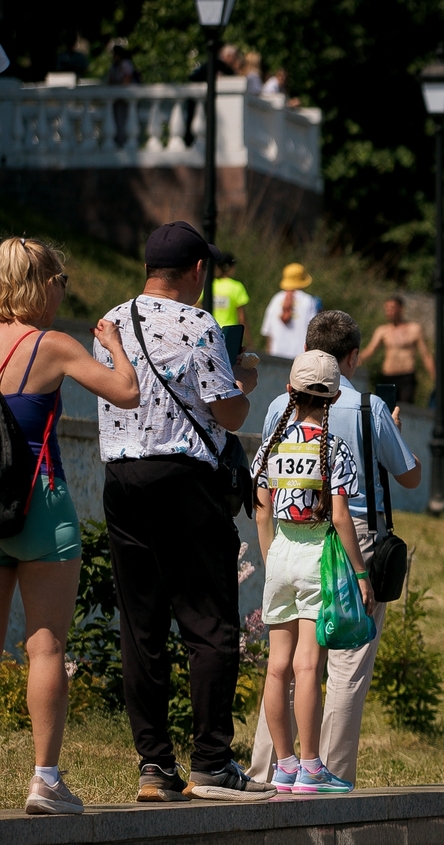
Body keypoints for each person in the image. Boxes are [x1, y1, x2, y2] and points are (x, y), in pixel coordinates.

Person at [95, 221, 274, 802]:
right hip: (182, 482)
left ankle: (154, 765)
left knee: (140, 626)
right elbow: (228, 413)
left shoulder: (110, 322)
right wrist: (243, 376)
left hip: (121, 480)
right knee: (209, 622)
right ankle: (212, 763)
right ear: (197, 271)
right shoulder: (198, 325)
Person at [246, 310, 422, 785]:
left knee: (281, 666)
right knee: (345, 663)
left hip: (285, 540)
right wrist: (396, 434)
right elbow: (409, 476)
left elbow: (262, 499)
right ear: (353, 357)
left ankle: (270, 767)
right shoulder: (369, 408)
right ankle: (326, 771)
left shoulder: (276, 410)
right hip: (350, 537)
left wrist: (270, 554)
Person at [0, 237, 141, 813]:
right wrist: (114, 347)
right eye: (61, 282)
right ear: (42, 285)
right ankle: (45, 780)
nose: (62, 293)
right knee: (46, 647)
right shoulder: (53, 345)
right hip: (42, 505)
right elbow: (126, 393)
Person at [251, 352, 373, 793]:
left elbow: (261, 513)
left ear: (289, 391)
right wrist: (360, 575)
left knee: (277, 667)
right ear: (334, 398)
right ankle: (311, 767)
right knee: (308, 666)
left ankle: (284, 766)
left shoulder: (271, 446)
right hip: (318, 555)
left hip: (280, 554)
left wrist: (271, 560)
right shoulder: (334, 449)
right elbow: (341, 517)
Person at [361, 297, 434, 407]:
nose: (389, 312)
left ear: (401, 309)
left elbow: (426, 355)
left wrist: (435, 376)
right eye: (387, 309)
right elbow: (370, 350)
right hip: (388, 376)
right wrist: (355, 359)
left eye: (392, 308)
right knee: (385, 409)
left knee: (405, 409)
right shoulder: (382, 331)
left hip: (406, 377)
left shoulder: (414, 329)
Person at [259, 264, 319, 360]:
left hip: (276, 357)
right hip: (300, 358)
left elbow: (268, 333)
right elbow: (314, 332)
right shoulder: (309, 301)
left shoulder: (275, 299)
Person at [209, 249, 248, 339]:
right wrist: (249, 341)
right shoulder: (237, 287)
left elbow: (198, 305)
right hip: (229, 333)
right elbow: (242, 318)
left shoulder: (210, 285)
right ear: (230, 267)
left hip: (211, 331)